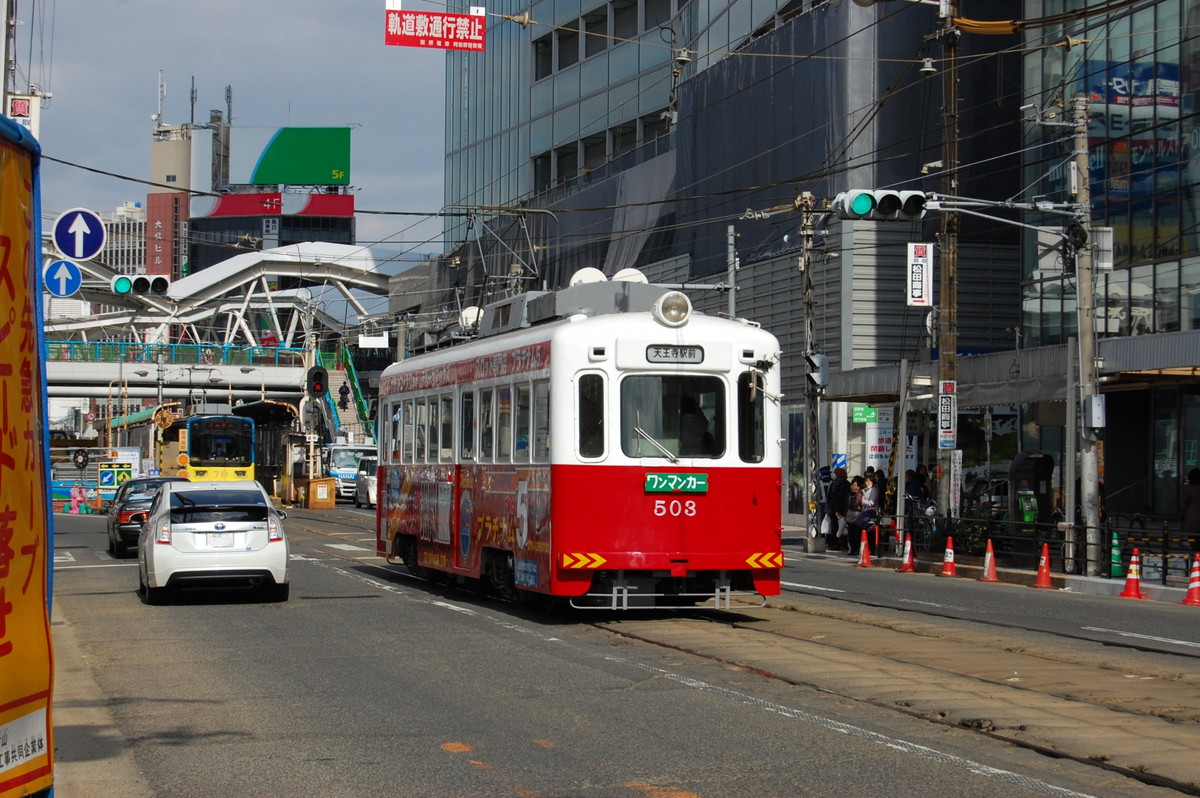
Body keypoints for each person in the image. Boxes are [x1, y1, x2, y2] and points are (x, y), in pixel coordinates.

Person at [825, 467, 850, 551]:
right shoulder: (839, 483)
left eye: (834, 473)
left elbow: (840, 498)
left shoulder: (840, 484)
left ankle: (838, 543)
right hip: (836, 509)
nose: (833, 475)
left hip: (837, 509)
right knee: (838, 527)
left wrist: (837, 510)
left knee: (838, 527)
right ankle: (838, 543)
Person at [1183, 469, 1200, 552]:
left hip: (1193, 517)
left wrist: (1181, 515)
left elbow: (1183, 503)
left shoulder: (1189, 489)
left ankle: (1197, 558)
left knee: (1193, 539)